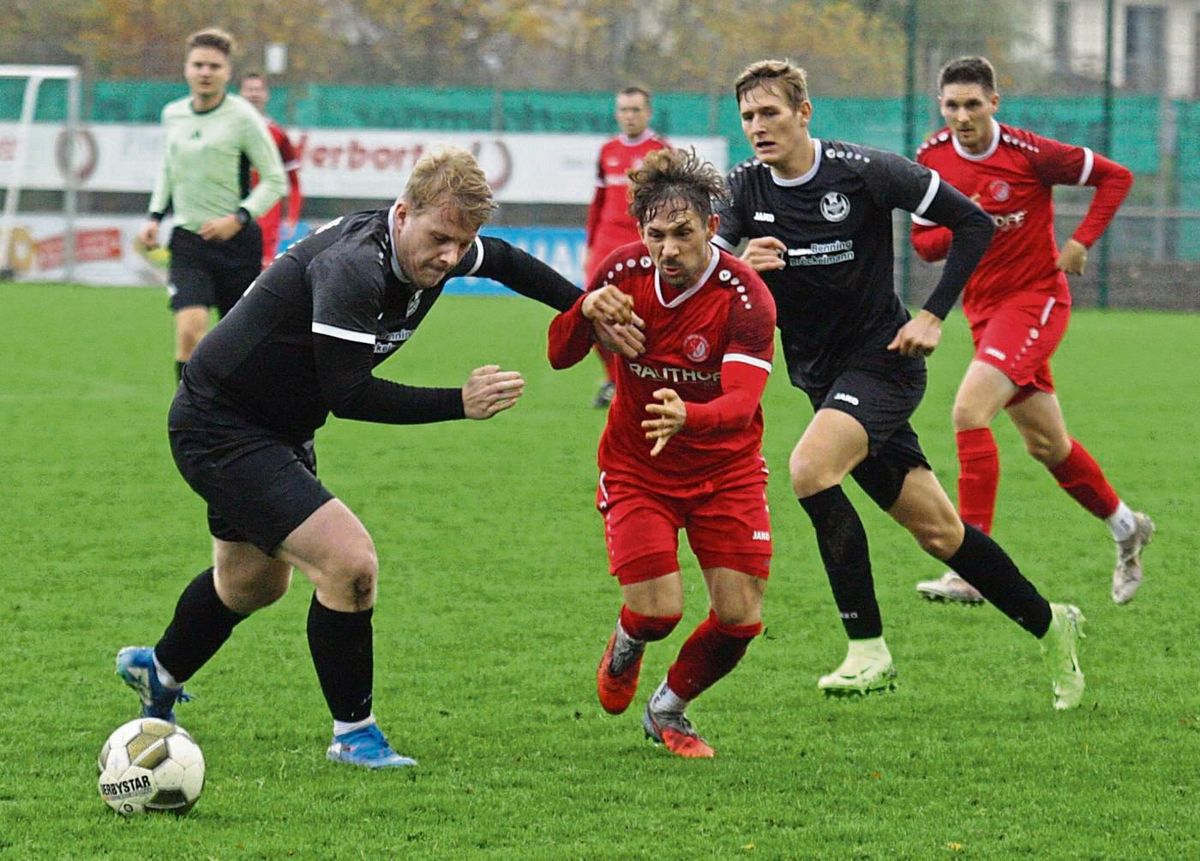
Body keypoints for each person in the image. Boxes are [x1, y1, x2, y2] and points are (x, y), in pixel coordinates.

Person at [116, 148, 599, 768]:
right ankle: (355, 735)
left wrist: (580, 305)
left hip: (276, 426)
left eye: (460, 243)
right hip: (222, 425)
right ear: (403, 214)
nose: (450, 257)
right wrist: (461, 401)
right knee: (350, 565)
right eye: (440, 239)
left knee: (252, 584)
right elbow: (349, 395)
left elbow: (501, 258)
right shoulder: (353, 268)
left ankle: (158, 672)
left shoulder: (435, 247)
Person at [712, 59, 1087, 710]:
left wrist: (934, 314)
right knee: (942, 533)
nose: (757, 127)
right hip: (821, 377)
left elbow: (971, 222)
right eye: (747, 116)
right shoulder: (744, 190)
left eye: (770, 112)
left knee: (808, 468)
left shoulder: (863, 169)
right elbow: (710, 276)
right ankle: (1053, 624)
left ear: (804, 113)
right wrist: (739, 265)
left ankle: (868, 649)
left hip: (884, 363)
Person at [549, 148, 777, 758]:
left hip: (726, 471)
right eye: (656, 235)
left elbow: (741, 402)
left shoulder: (746, 297)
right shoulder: (621, 271)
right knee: (657, 613)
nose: (668, 248)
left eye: (682, 233)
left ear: (711, 228)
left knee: (740, 619)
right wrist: (586, 310)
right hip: (636, 470)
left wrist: (688, 416)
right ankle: (627, 647)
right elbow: (558, 354)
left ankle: (669, 710)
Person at [911, 56, 1152, 606]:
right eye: (952, 105)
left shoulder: (1030, 153)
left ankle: (972, 569)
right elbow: (923, 246)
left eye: (973, 104)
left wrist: (1080, 242)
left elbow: (1116, 177)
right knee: (1047, 444)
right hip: (984, 311)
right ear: (941, 108)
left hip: (1036, 301)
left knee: (968, 411)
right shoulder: (932, 158)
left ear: (994, 103)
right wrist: (959, 219)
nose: (962, 115)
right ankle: (1125, 528)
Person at [137, 28, 286, 382]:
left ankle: (244, 420)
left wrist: (239, 218)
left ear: (227, 73)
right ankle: (190, 419)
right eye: (198, 65)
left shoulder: (242, 117)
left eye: (214, 66)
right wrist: (155, 216)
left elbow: (275, 180)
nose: (205, 72)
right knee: (190, 331)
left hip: (236, 245)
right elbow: (169, 168)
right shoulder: (173, 114)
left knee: (243, 345)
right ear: (186, 69)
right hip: (189, 242)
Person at [582, 86, 669, 408]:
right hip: (605, 242)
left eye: (635, 110)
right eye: (623, 110)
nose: (629, 116)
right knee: (589, 313)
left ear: (647, 113)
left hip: (641, 244)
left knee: (644, 318)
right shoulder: (607, 150)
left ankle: (644, 382)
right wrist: (589, 245)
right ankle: (614, 379)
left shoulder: (660, 150)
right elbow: (598, 201)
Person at [239, 72, 304, 269]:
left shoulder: (277, 134)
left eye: (258, 90)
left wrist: (291, 215)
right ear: (240, 94)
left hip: (266, 214)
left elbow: (293, 179)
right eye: (249, 90)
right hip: (230, 209)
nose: (254, 94)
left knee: (262, 271)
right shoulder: (226, 130)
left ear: (266, 95)